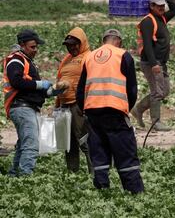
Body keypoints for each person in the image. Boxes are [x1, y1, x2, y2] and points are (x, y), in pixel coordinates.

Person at [76, 29, 144, 194]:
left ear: (103, 40)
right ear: (119, 41)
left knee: (99, 151)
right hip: (114, 110)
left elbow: (80, 89)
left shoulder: (90, 56)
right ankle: (134, 191)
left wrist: (84, 108)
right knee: (125, 151)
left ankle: (102, 189)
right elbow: (132, 88)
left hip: (92, 111)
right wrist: (126, 107)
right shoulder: (123, 55)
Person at [3, 29, 60, 176]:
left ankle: (14, 175)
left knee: (23, 145)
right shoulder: (16, 59)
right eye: (32, 47)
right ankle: (25, 178)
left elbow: (29, 86)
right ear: (22, 45)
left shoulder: (27, 61)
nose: (36, 50)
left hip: (27, 107)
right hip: (22, 107)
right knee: (31, 145)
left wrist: (50, 92)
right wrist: (39, 85)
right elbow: (17, 81)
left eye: (36, 47)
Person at [131, 0, 175, 131]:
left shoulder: (162, 18)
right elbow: (147, 44)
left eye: (162, 5)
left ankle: (138, 109)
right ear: (151, 6)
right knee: (157, 92)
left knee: (165, 91)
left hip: (161, 63)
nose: (161, 8)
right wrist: (153, 64)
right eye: (158, 5)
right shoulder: (148, 21)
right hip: (151, 62)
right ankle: (155, 122)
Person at [55, 27, 92, 173]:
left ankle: (94, 171)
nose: (71, 48)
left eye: (74, 45)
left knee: (84, 140)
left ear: (82, 43)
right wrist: (57, 105)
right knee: (68, 142)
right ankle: (72, 172)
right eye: (69, 45)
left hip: (79, 105)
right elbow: (60, 78)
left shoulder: (88, 57)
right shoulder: (66, 59)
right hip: (65, 105)